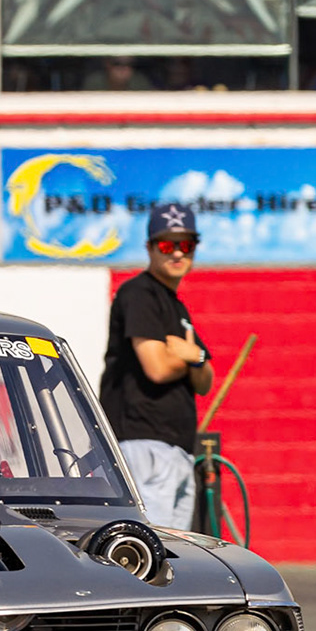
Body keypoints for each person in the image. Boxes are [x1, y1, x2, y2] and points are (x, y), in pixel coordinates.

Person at [99, 204, 214, 529]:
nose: (177, 253)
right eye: (167, 245)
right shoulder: (139, 293)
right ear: (150, 247)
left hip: (175, 449)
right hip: (143, 442)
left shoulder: (177, 307)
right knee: (152, 554)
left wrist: (195, 357)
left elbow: (205, 381)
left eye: (186, 245)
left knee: (176, 558)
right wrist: (190, 359)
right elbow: (157, 369)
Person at [81, 56, 153, 92]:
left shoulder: (140, 83)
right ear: (107, 65)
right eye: (117, 63)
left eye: (129, 64)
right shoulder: (94, 83)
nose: (123, 68)